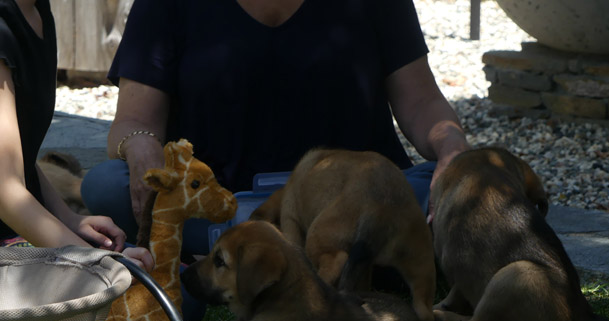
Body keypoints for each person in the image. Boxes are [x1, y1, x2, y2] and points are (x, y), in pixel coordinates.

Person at [82, 0, 471, 256]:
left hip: (354, 202)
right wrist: (140, 147)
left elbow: (421, 101)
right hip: (220, 203)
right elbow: (132, 122)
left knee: (454, 189)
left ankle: (247, 250)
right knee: (105, 184)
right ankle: (325, 250)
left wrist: (452, 149)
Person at [0, 0, 153, 271]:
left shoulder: (35, 10)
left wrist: (69, 219)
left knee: (173, 286)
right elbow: (5, 191)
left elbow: (17, 156)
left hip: (17, 230)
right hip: (10, 240)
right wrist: (94, 261)